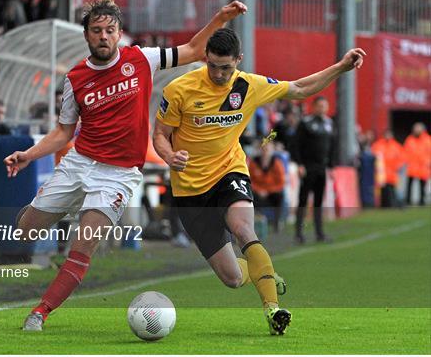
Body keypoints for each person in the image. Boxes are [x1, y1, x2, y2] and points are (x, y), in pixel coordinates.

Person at [4, 0, 247, 331]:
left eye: (110, 30)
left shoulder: (142, 59)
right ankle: (45, 214)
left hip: (117, 176)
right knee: (26, 231)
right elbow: (62, 133)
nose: (103, 36)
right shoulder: (75, 79)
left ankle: (40, 311)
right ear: (87, 35)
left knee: (84, 243)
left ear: (119, 34)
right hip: (79, 163)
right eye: (96, 30)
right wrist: (29, 155)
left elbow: (192, 50)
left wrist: (220, 18)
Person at [153, 28, 365, 335]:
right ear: (205, 59)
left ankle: (272, 310)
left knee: (243, 229)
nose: (218, 73)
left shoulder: (249, 85)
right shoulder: (179, 89)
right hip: (189, 190)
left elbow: (301, 88)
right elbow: (160, 134)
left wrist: (340, 67)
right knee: (233, 278)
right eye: (212, 65)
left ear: (238, 61)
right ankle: (261, 270)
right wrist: (170, 157)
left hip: (229, 172)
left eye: (226, 67)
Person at [293, 96, 335, 244]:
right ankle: (299, 233)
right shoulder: (306, 123)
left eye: (325, 106)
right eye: (320, 106)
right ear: (314, 107)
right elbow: (296, 145)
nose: (322, 109)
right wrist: (299, 164)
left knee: (318, 201)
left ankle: (319, 232)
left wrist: (331, 167)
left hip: (322, 168)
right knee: (303, 200)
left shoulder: (329, 124)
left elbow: (331, 147)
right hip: (308, 166)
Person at [247, 141, 285, 233]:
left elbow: (281, 182)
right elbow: (249, 180)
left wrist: (268, 191)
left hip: (272, 193)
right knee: (249, 196)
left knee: (280, 195)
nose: (265, 151)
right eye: (263, 148)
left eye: (268, 149)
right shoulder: (254, 162)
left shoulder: (277, 163)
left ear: (272, 150)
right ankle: (254, 225)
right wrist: (259, 190)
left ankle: (276, 224)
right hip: (257, 193)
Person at [371, 129, 405, 207]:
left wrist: (397, 167)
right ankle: (382, 205)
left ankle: (394, 204)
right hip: (381, 173)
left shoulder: (396, 146)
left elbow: (402, 159)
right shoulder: (378, 145)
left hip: (393, 173)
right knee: (382, 190)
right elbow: (373, 156)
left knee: (393, 190)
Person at [403, 122, 431, 206]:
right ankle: (407, 201)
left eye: (418, 128)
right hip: (412, 166)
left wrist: (428, 162)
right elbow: (405, 151)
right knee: (409, 184)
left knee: (422, 186)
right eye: (415, 128)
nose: (416, 130)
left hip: (423, 167)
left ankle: (422, 201)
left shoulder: (428, 140)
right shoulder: (410, 139)